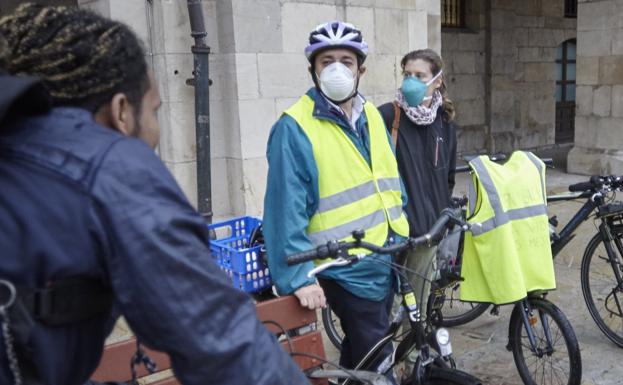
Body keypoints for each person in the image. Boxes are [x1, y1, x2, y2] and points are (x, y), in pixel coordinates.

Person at [0, 4, 309, 385]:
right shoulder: (109, 164)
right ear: (121, 112)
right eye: (156, 111)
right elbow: (227, 347)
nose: (156, 132)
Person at [263, 20, 409, 373]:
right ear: (313, 69)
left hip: (386, 252)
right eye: (326, 61)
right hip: (345, 267)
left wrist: (404, 223)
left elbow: (388, 176)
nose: (337, 69)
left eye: (346, 60)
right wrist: (298, 277)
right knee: (377, 355)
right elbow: (285, 210)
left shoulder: (371, 115)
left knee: (367, 348)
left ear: (361, 69)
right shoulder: (294, 126)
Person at [377, 48, 457, 375]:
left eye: (419, 76)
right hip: (394, 231)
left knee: (418, 304)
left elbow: (449, 174)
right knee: (386, 303)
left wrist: (442, 216)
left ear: (436, 82)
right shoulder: (386, 116)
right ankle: (379, 362)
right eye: (406, 74)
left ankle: (412, 364)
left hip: (428, 231)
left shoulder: (445, 122)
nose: (411, 82)